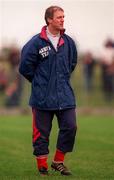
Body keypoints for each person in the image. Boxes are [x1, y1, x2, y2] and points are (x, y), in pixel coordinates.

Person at [19, 6, 78, 176]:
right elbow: (24, 67)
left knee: (71, 127)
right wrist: (39, 82)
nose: (62, 19)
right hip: (42, 98)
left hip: (65, 96)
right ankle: (42, 165)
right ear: (49, 20)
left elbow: (72, 64)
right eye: (59, 17)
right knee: (41, 133)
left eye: (63, 16)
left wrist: (60, 81)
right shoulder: (35, 43)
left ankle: (58, 161)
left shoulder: (68, 42)